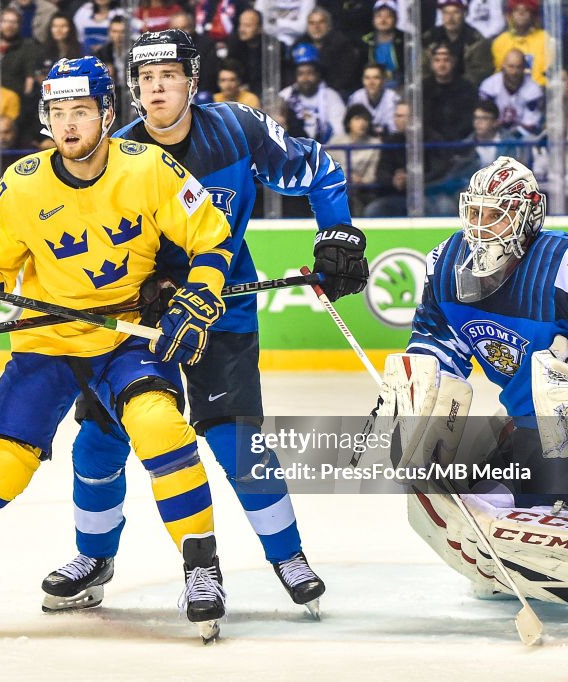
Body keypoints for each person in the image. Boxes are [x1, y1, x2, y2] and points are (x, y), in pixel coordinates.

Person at [0, 55, 233, 641]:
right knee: (4, 461)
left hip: (126, 334)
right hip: (46, 341)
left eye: (80, 111)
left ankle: (203, 569)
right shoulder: (22, 185)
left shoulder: (150, 167)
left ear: (106, 112)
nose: (67, 124)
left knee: (160, 426)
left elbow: (212, 239)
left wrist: (199, 297)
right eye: (57, 113)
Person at [39, 30, 367, 616]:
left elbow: (317, 169)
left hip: (225, 308)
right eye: (145, 77)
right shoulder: (117, 154)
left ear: (192, 79)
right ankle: (94, 556)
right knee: (99, 438)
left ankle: (288, 556)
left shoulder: (237, 129)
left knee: (235, 437)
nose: (157, 86)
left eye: (168, 74)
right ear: (132, 89)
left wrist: (336, 232)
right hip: (140, 323)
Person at [372, 155, 568, 634]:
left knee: (502, 520)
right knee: (459, 509)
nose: (481, 226)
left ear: (528, 215)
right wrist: (417, 395)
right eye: (475, 212)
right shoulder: (445, 264)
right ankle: (539, 568)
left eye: (496, 213)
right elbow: (436, 338)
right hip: (533, 429)